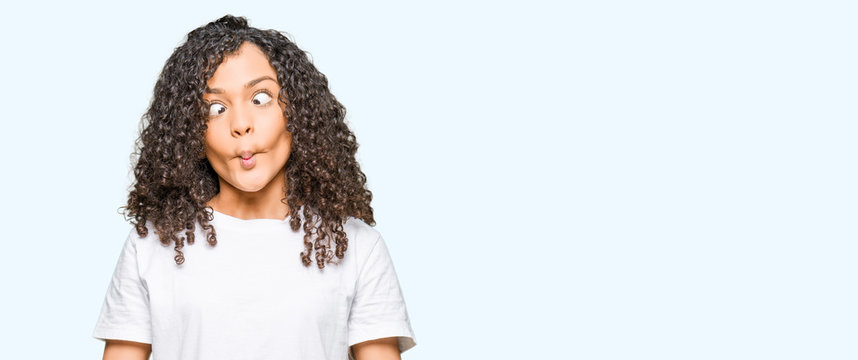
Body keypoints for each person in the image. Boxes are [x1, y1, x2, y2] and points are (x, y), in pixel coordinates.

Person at [92, 15, 417, 360]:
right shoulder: (151, 245)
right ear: (191, 134)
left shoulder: (356, 247)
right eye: (215, 108)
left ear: (296, 110)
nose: (241, 124)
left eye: (260, 98)